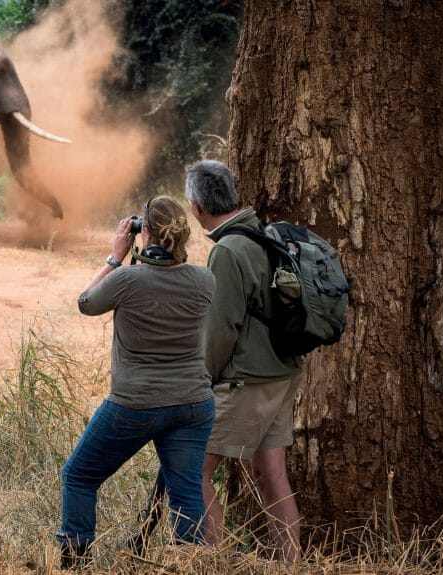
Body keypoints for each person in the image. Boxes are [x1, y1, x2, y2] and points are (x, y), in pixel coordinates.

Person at [57, 196, 216, 569]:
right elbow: (177, 276)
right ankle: (192, 564)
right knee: (186, 492)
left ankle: (75, 562)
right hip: (193, 403)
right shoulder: (205, 280)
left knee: (78, 476)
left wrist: (116, 256)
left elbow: (86, 303)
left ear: (143, 231)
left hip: (136, 403)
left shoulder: (127, 279)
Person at [184, 159, 304, 561]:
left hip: (247, 382)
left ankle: (213, 562)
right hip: (283, 375)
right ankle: (292, 564)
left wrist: (200, 383)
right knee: (272, 475)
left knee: (191, 470)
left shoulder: (228, 251)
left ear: (197, 208)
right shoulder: (267, 234)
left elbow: (220, 330)